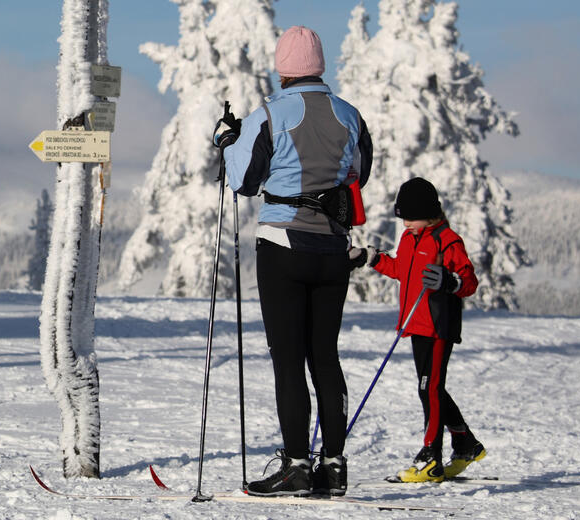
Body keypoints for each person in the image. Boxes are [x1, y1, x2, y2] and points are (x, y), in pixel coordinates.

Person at [215, 25, 373, 497]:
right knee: (325, 355)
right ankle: (335, 465)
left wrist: (228, 142)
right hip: (332, 249)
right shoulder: (351, 116)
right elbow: (359, 175)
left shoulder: (270, 114)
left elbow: (241, 180)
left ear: (282, 68)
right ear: (320, 65)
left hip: (283, 245)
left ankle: (297, 465)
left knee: (288, 359)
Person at [350, 177, 487, 482]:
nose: (406, 224)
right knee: (431, 389)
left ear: (429, 213)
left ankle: (431, 457)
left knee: (429, 389)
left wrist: (449, 281)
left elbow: (469, 282)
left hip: (438, 326)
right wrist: (370, 258)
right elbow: (401, 269)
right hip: (416, 325)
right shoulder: (410, 239)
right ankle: (465, 443)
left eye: (411, 218)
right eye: (403, 218)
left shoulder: (447, 241)